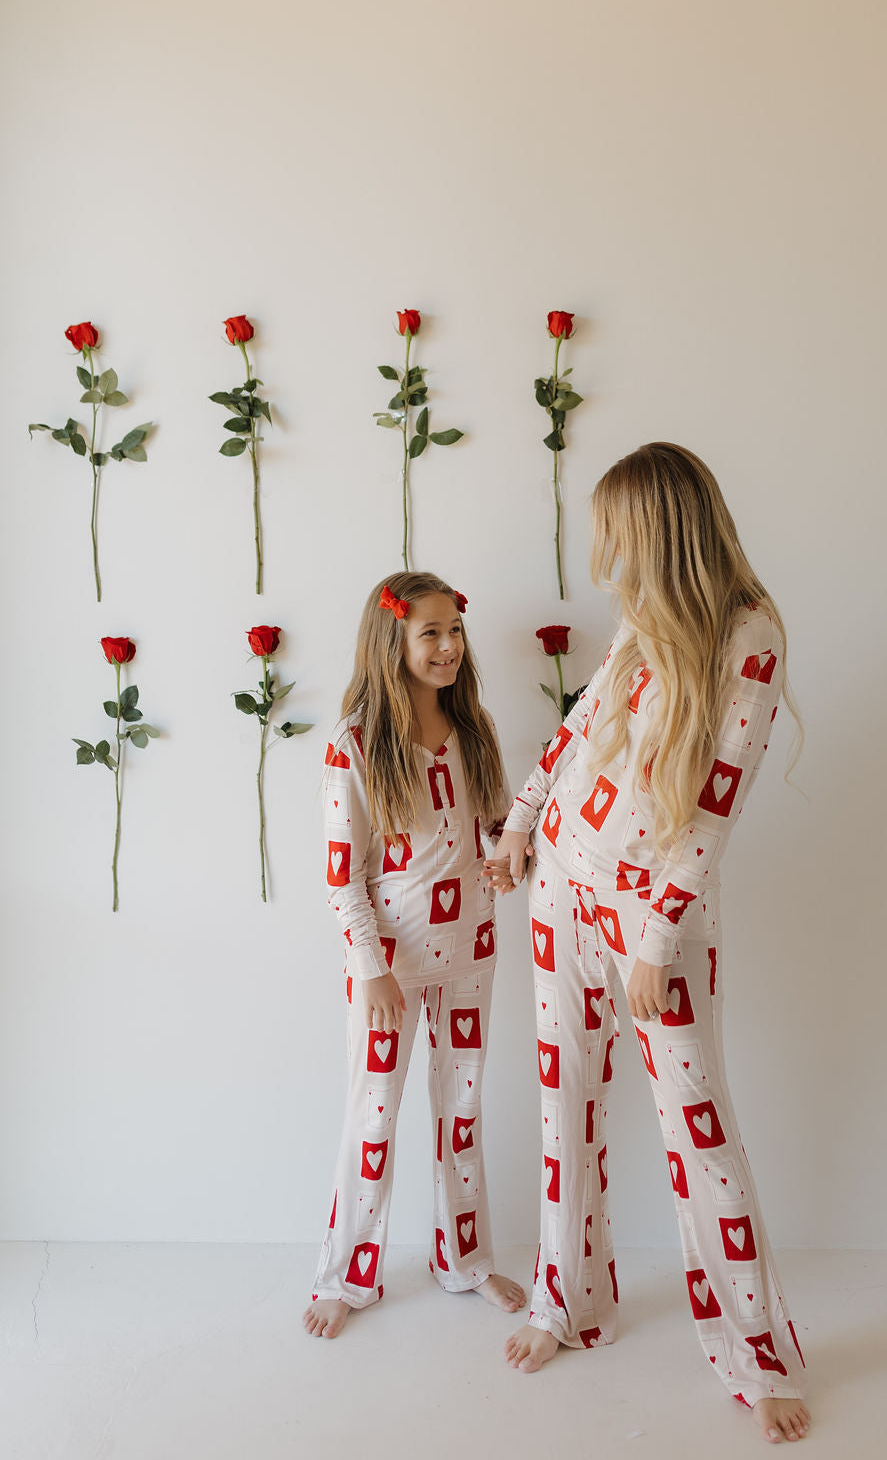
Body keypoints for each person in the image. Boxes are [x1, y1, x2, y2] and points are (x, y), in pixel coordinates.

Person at [488, 445, 811, 1445]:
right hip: (562, 890)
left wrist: (655, 940)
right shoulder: (641, 618)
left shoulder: (747, 638)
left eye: (617, 531)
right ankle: (565, 1302)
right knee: (565, 1106)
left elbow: (715, 809)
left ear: (662, 527)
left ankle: (758, 1360)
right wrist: (518, 823)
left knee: (699, 1135)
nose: (606, 553)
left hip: (649, 926)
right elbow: (577, 725)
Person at [303, 572, 525, 1339]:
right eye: (429, 633)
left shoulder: (477, 730)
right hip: (392, 964)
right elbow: (343, 875)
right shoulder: (356, 744)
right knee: (374, 1113)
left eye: (454, 631)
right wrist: (371, 966)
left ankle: (464, 1259)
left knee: (460, 1111)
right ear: (391, 642)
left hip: (472, 948)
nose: (448, 647)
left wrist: (504, 856)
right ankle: (344, 1277)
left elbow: (494, 828)